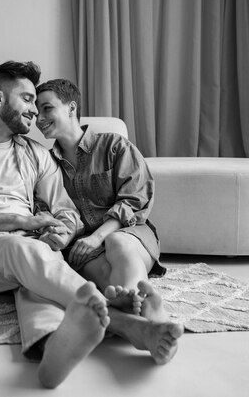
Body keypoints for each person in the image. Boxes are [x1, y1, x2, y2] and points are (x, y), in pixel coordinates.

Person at [0, 61, 183, 389]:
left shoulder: (36, 153)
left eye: (39, 103)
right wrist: (20, 219)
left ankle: (52, 349)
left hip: (28, 248)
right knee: (22, 249)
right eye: (26, 99)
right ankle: (126, 322)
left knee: (37, 275)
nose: (34, 111)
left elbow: (65, 209)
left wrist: (61, 233)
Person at [35, 78, 166, 311]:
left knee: (117, 242)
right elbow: (44, 208)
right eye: (36, 113)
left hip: (129, 233)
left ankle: (139, 308)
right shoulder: (45, 164)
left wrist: (97, 237)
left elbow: (136, 198)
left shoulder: (114, 146)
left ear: (71, 107)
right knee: (109, 282)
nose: (39, 119)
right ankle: (143, 310)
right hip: (83, 249)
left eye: (47, 109)